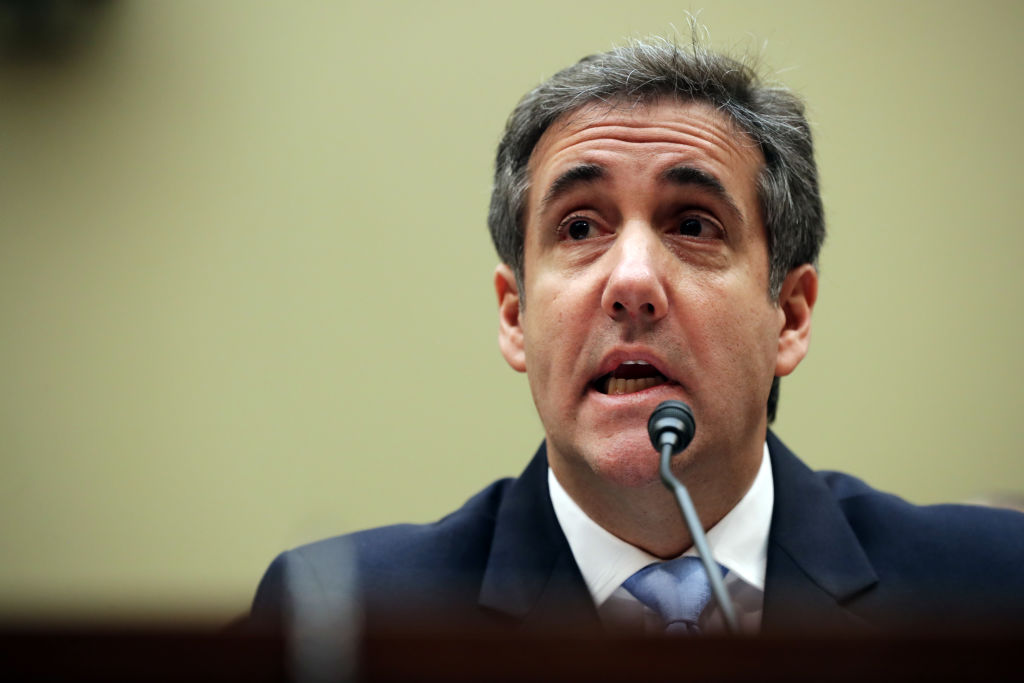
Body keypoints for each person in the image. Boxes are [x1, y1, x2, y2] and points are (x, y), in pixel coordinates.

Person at [251, 37, 1024, 637]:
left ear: (789, 315)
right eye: (580, 226)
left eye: (693, 225)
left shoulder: (991, 586)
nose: (631, 281)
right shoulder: (347, 616)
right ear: (515, 316)